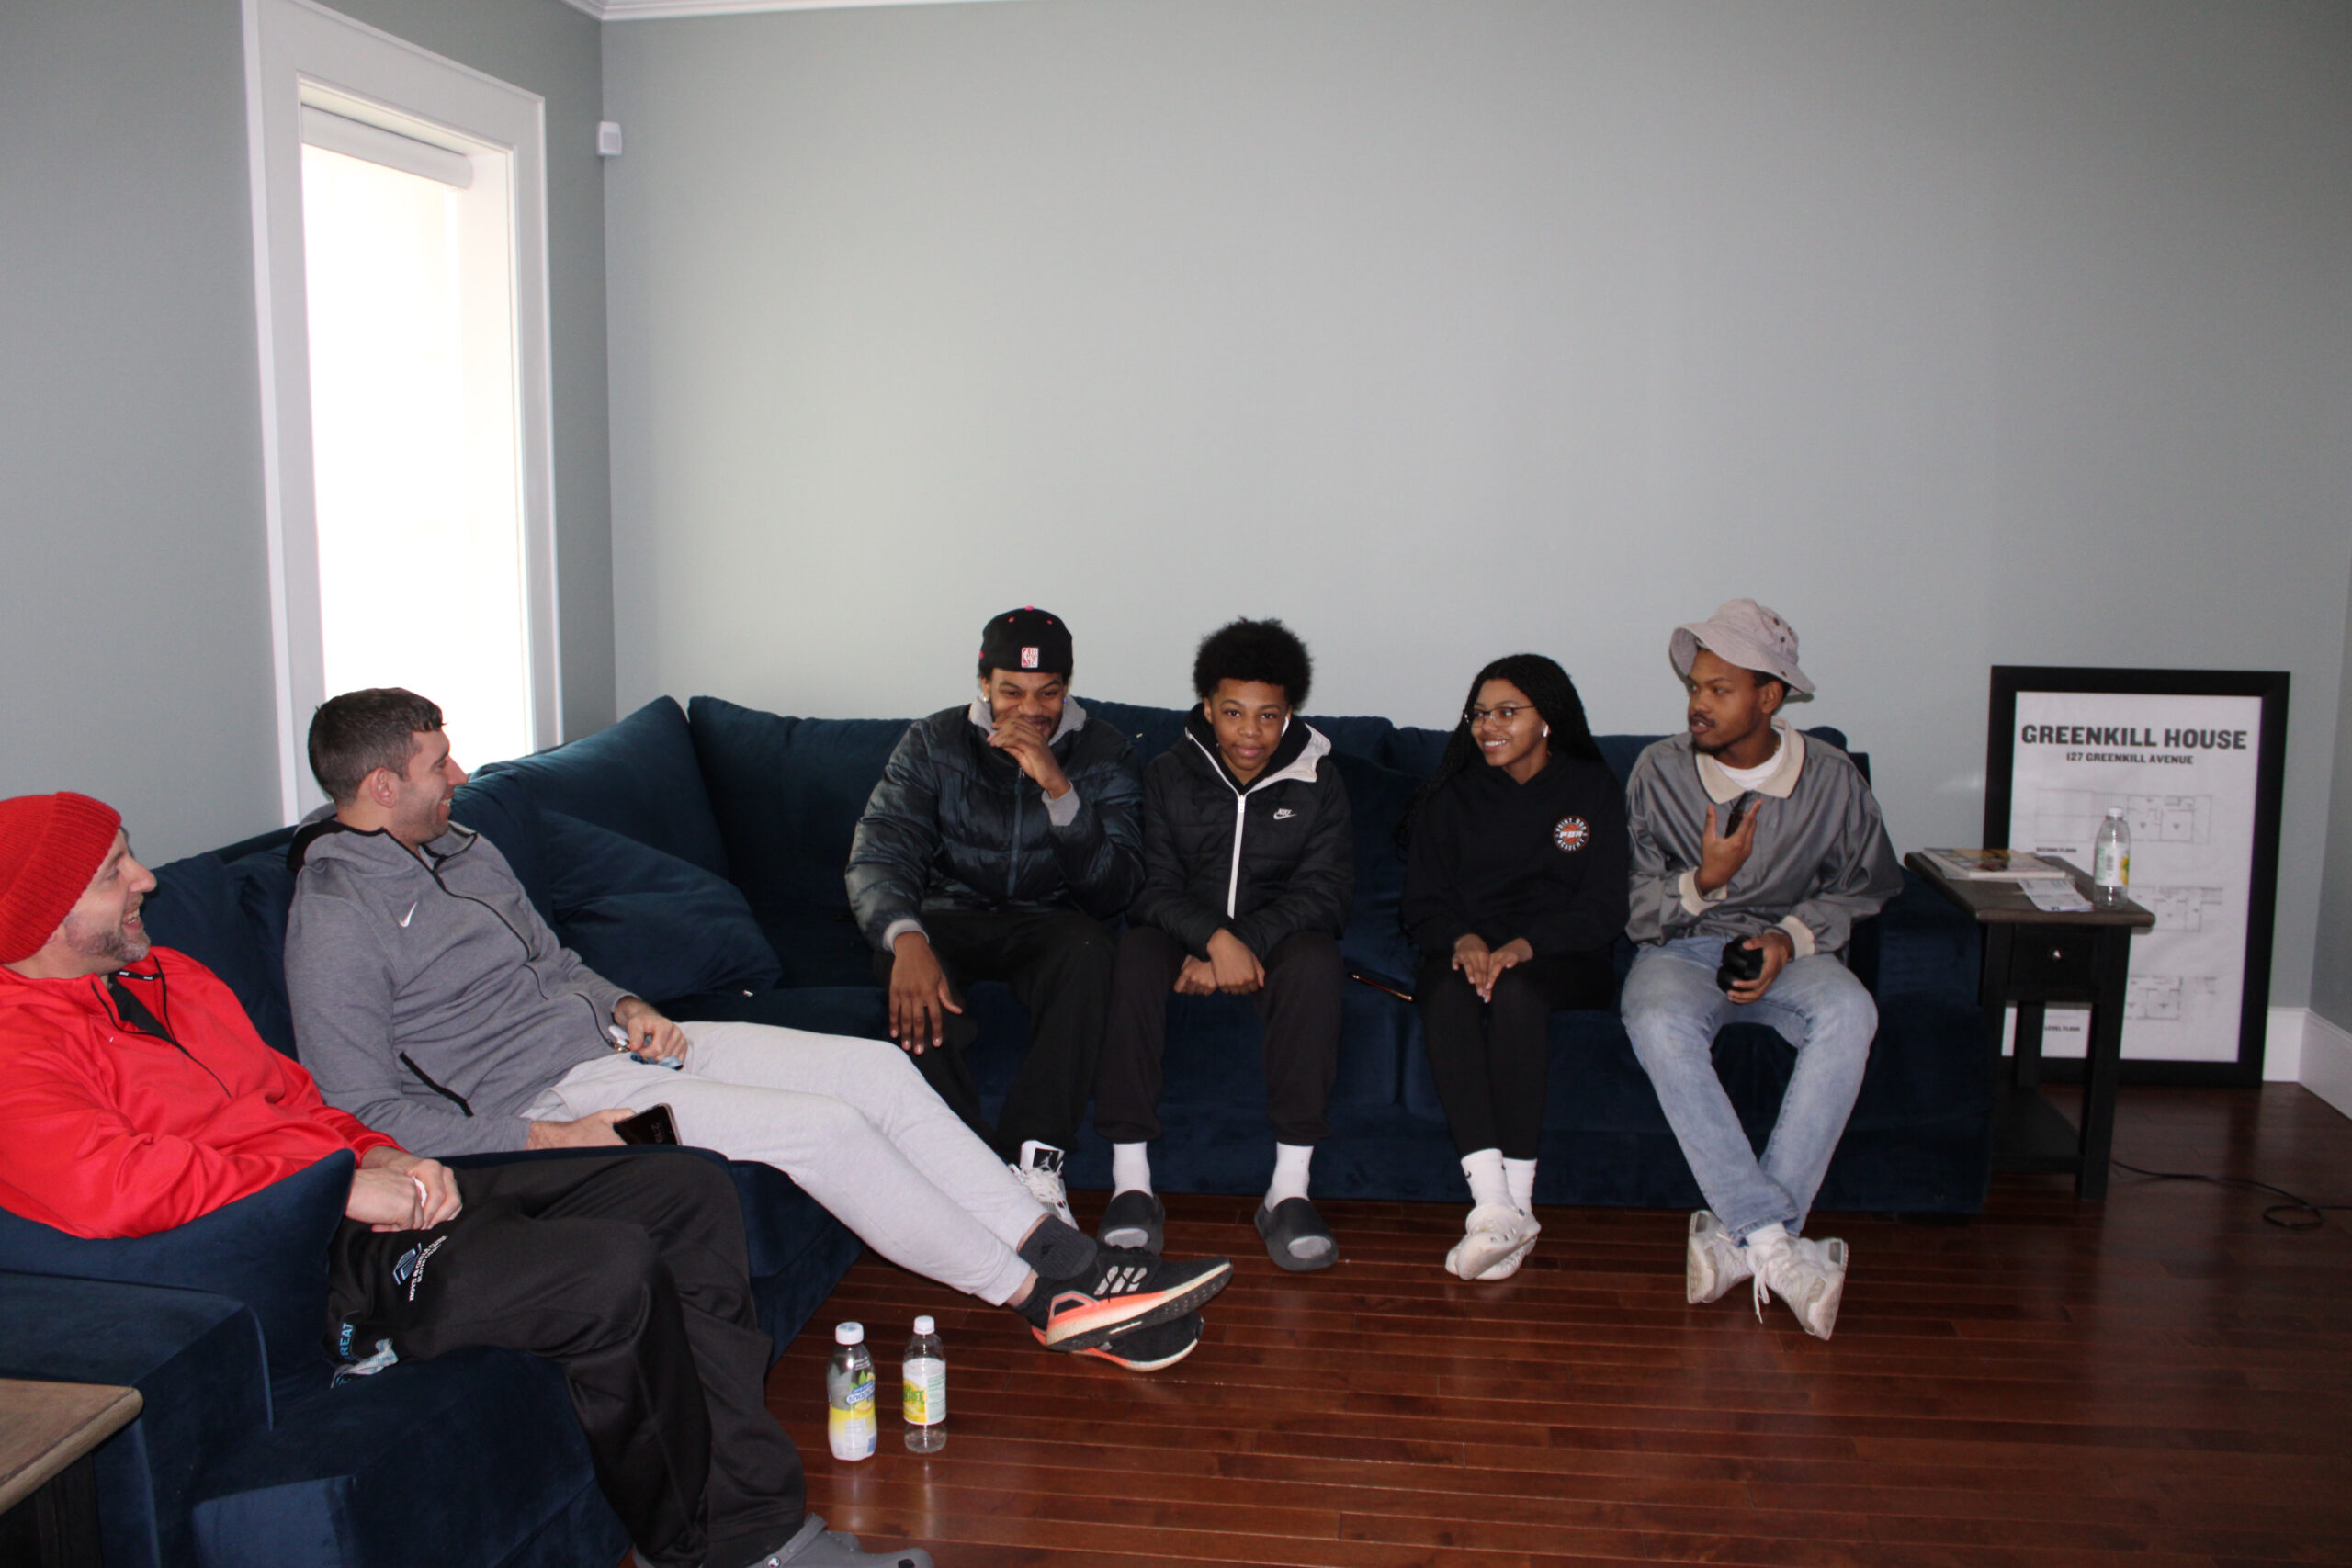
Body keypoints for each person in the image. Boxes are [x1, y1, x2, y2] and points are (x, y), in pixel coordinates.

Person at [0, 792, 929, 1568]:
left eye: (131, 858)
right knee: (605, 1270)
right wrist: (331, 1188)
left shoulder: (171, 977)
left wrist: (378, 1152)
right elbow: (108, 1183)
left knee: (682, 1186)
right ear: (41, 908)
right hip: (299, 1257)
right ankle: (718, 1549)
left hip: (361, 1189)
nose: (145, 880)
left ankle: (757, 1523)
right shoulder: (15, 1040)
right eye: (113, 872)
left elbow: (299, 1099)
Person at [284, 690, 1227, 1375]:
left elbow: (557, 962)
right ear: (380, 784)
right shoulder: (335, 917)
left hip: (618, 1047)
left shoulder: (463, 846)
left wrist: (628, 1005)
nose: (458, 776)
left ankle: (1069, 1255)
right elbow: (360, 1107)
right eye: (438, 765)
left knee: (878, 1072)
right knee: (827, 1130)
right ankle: (1043, 1300)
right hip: (553, 1103)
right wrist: (540, 1137)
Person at [1621, 600, 1901, 1340]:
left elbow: (1869, 884)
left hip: (1795, 953)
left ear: (1769, 696)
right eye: (1695, 687)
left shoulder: (1832, 779)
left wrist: (1790, 937)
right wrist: (1703, 881)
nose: (1698, 703)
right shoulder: (1658, 771)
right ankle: (1774, 1243)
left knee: (1852, 1011)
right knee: (1653, 1016)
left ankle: (1740, 1240)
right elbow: (1636, 907)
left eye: (1720, 689)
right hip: (1682, 948)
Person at [845, 607, 1145, 1221]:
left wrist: (1059, 789)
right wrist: (905, 939)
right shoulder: (933, 742)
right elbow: (880, 852)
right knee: (896, 961)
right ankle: (969, 1167)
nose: (1031, 710)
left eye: (1048, 693)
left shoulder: (1105, 749)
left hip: (1048, 918)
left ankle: (1037, 1160)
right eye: (1012, 691)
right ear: (984, 684)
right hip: (948, 913)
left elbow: (1114, 893)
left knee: (1092, 949)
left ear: (1067, 687)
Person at [1092, 618, 1354, 1270]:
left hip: (1277, 938)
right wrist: (1211, 938)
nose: (1250, 732)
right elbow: (1150, 886)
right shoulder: (1166, 774)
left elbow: (1325, 894)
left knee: (1318, 960)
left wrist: (1239, 944)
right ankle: (1130, 1184)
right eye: (1234, 712)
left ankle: (1289, 1191)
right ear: (1208, 707)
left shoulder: (1319, 778)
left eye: (1269, 716)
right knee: (1132, 954)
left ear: (1288, 713)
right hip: (1181, 932)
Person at [1397, 655, 1628, 1281]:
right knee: (1444, 994)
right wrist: (1464, 938)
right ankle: (1494, 1207)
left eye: (1506, 712)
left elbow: (1606, 907)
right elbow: (1421, 903)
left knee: (1518, 994)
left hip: (1564, 959)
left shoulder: (1592, 788)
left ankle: (1519, 1207)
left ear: (1547, 718)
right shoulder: (1452, 797)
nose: (1487, 727)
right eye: (1479, 714)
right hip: (1466, 955)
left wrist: (1528, 945)